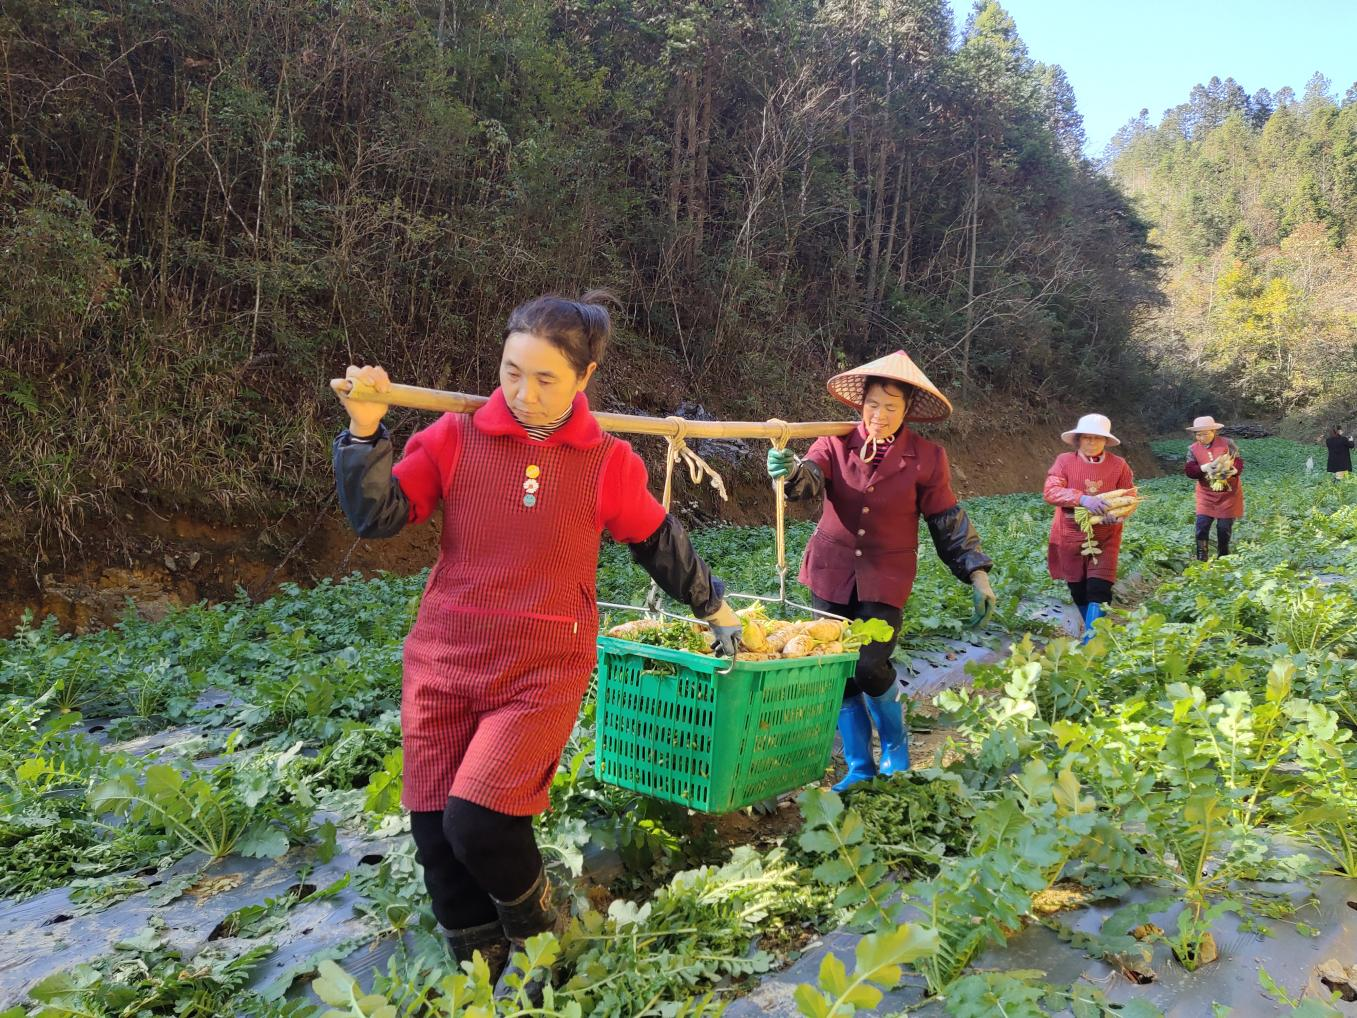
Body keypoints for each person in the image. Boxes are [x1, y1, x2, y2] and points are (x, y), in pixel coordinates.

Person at [330, 291, 743, 1001]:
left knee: (479, 820)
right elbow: (378, 516)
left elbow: (656, 540)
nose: (522, 393)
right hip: (444, 658)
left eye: (545, 379)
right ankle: (477, 963)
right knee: (433, 834)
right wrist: (365, 432)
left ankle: (537, 931)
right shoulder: (455, 439)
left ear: (584, 381)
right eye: (510, 371)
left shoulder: (605, 463)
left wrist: (713, 604)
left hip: (542, 666)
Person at [766, 351, 995, 792]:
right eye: (873, 404)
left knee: (871, 665)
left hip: (885, 576)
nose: (880, 415)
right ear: (861, 404)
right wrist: (792, 472)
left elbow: (946, 519)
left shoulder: (926, 458)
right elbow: (809, 478)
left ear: (907, 410)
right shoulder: (833, 444)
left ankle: (894, 747)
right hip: (830, 571)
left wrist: (977, 573)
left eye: (891, 407)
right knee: (837, 669)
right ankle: (859, 764)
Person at [1043, 414, 1136, 643]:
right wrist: (1082, 499)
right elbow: (1050, 491)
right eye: (1086, 438)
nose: (1091, 443)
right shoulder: (1064, 461)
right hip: (1071, 535)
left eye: (1097, 438)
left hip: (1105, 536)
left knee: (1099, 588)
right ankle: (1093, 630)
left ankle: (1091, 644)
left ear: (1106, 441)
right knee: (1078, 589)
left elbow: (1129, 497)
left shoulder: (1119, 465)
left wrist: (1117, 516)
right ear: (1078, 440)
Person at [1183, 415, 1244, 559]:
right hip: (1206, 494)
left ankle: (1223, 555)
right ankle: (1201, 557)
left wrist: (1232, 470)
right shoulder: (1192, 449)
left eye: (1204, 434)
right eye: (1198, 434)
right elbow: (1190, 470)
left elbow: (1238, 462)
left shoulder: (1227, 443)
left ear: (1214, 432)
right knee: (1202, 525)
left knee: (1224, 528)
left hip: (1228, 494)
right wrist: (1205, 467)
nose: (1201, 437)